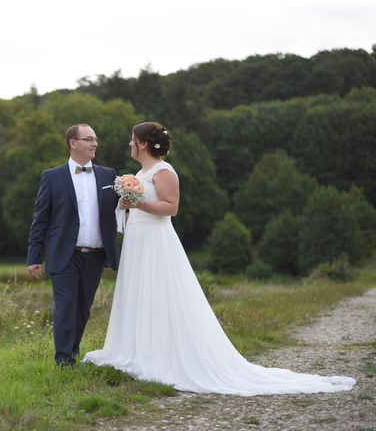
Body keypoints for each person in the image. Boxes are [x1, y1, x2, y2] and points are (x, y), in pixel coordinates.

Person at [82, 121, 356, 395]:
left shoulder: (164, 171)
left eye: (132, 139)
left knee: (160, 293)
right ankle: (136, 350)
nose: (129, 143)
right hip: (137, 241)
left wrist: (137, 202)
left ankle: (162, 357)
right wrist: (126, 205)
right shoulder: (141, 172)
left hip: (156, 241)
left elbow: (171, 208)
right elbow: (138, 208)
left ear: (142, 143)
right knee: (140, 293)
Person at [27, 123, 119, 367]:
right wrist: (34, 257)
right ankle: (64, 360)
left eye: (95, 139)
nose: (94, 144)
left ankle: (72, 354)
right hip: (65, 255)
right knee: (65, 307)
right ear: (73, 143)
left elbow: (119, 211)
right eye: (89, 139)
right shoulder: (52, 177)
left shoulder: (109, 175)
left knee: (82, 310)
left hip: (96, 256)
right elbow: (40, 220)